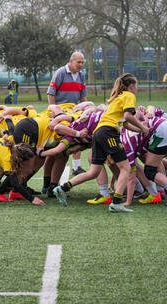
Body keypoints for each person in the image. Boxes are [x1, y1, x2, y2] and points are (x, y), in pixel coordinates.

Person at [53, 73, 149, 213]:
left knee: (94, 171)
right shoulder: (129, 96)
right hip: (108, 133)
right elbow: (128, 116)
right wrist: (143, 127)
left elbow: (125, 123)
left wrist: (140, 130)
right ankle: (116, 203)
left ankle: (62, 188)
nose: (137, 88)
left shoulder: (118, 97)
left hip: (99, 133)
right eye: (137, 85)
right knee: (126, 168)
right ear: (132, 85)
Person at [47, 51, 88, 178]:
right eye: (78, 62)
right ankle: (50, 176)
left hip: (73, 112)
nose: (81, 65)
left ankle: (76, 167)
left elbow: (83, 96)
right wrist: (55, 112)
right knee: (58, 144)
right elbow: (51, 93)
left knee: (77, 139)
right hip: (60, 113)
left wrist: (84, 111)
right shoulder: (60, 72)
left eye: (82, 62)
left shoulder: (81, 75)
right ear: (71, 61)